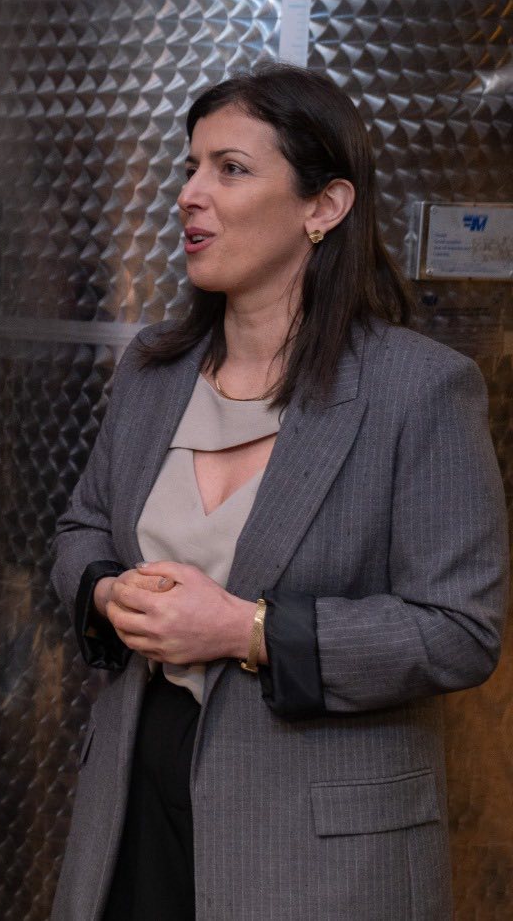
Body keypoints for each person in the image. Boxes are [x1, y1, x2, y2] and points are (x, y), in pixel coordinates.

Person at [50, 62, 507, 920]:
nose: (190, 194)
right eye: (190, 167)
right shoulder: (153, 370)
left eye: (230, 169)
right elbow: (82, 529)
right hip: (134, 799)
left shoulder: (419, 390)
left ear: (323, 207)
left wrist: (245, 630)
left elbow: (459, 630)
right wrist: (108, 593)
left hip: (318, 849)